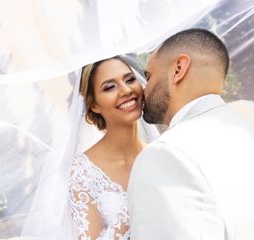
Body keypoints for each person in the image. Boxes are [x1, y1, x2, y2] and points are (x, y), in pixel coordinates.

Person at [128, 28, 254, 239]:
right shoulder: (246, 124)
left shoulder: (166, 155)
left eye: (148, 76)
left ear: (179, 68)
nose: (144, 88)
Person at [68, 55, 158, 239]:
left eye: (130, 79)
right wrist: (134, 201)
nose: (126, 90)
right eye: (110, 87)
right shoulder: (82, 172)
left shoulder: (160, 155)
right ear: (94, 105)